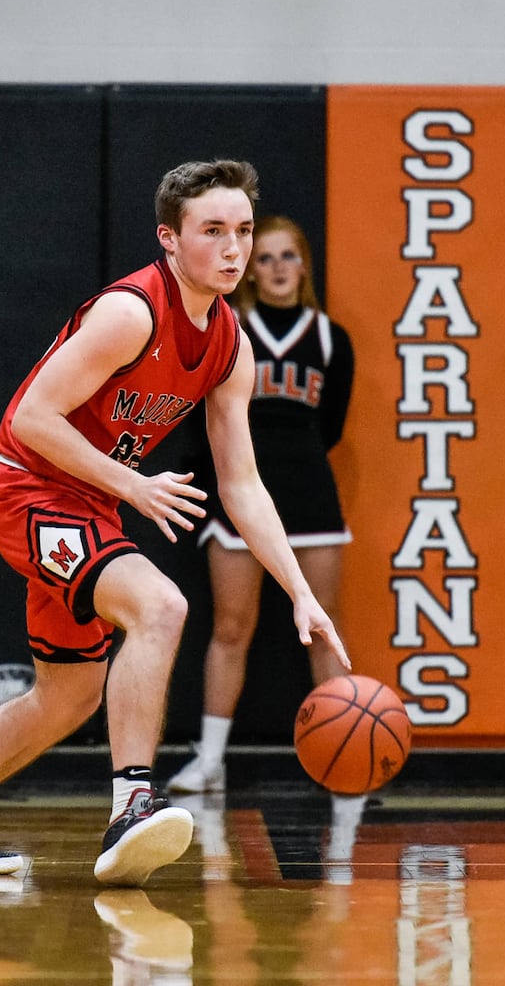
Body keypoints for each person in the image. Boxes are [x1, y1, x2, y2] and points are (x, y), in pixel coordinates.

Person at [0, 159, 348, 886]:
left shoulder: (229, 344)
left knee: (64, 699)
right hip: (27, 491)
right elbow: (31, 417)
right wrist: (134, 485)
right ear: (169, 238)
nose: (233, 248)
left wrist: (299, 592)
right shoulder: (132, 313)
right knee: (160, 604)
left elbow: (242, 484)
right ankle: (131, 804)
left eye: (243, 231)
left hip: (85, 505)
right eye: (212, 230)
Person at [166, 215, 353, 794]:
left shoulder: (329, 338)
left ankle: (340, 755)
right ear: (251, 268)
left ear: (304, 264)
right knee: (230, 628)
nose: (276, 268)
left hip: (312, 501)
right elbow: (201, 420)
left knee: (324, 628)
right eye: (265, 257)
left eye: (287, 256)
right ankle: (211, 760)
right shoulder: (229, 330)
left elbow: (332, 426)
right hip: (239, 500)